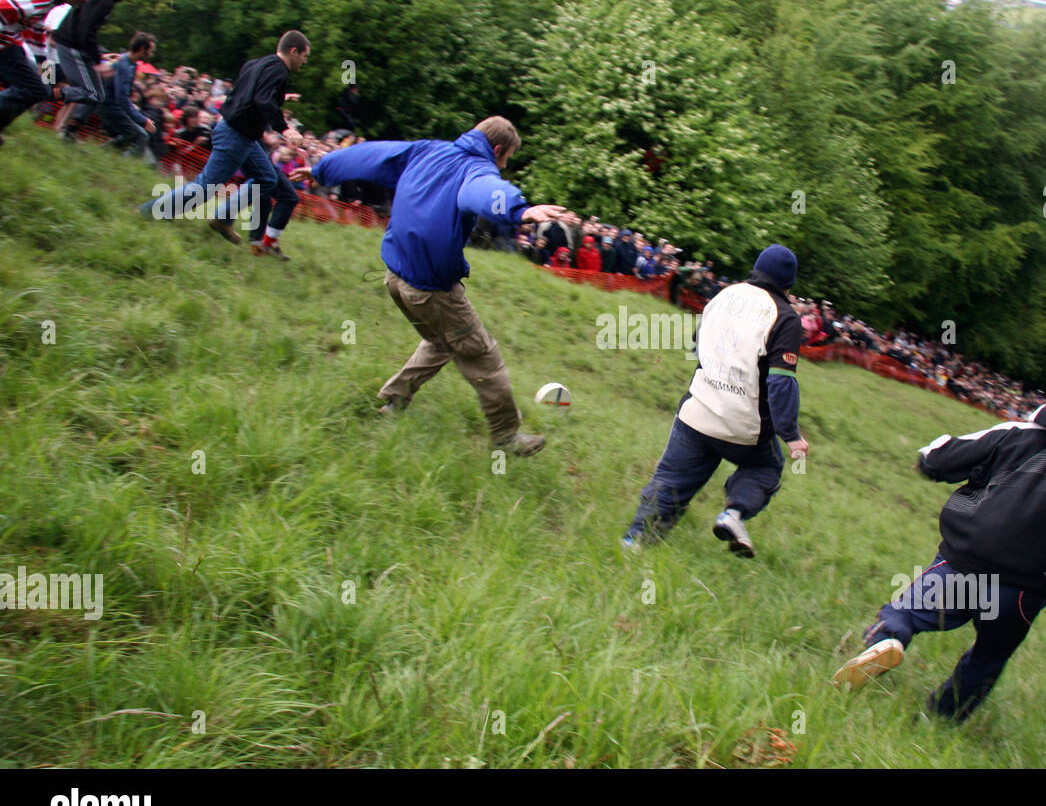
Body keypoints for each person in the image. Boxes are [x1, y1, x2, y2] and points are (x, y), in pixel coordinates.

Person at [833, 380, 1046, 722]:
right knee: (990, 655)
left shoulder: (1013, 432)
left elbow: (941, 456)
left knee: (908, 612)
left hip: (965, 562)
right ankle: (940, 719)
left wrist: (928, 463)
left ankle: (887, 641)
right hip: (1023, 587)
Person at [293, 116, 569, 456]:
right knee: (484, 357)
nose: (504, 164)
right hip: (432, 289)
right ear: (496, 149)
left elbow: (370, 156)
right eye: (507, 158)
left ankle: (393, 401)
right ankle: (507, 437)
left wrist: (322, 170)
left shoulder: (426, 151)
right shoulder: (475, 170)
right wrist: (519, 210)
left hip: (396, 278)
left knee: (440, 342)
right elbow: (482, 191)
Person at [623, 244, 809, 557]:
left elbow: (697, 344)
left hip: (698, 410)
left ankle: (632, 545)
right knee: (766, 467)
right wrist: (790, 435)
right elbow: (781, 382)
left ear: (755, 269)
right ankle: (733, 514)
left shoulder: (724, 294)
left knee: (669, 484)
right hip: (743, 426)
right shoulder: (785, 317)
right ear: (788, 284)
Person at [139, 30, 310, 259]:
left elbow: (250, 93)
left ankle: (223, 219)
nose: (305, 61)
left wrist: (281, 97)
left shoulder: (256, 64)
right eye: (304, 56)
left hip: (242, 135)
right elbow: (262, 99)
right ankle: (148, 212)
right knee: (204, 188)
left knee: (266, 179)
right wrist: (285, 128)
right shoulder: (279, 70)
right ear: (293, 51)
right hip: (235, 135)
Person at [0, 0, 95, 148]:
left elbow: (36, 36)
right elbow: (3, 8)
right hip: (5, 38)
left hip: (8, 38)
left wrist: (47, 77)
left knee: (39, 89)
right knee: (34, 89)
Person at [53, 0, 139, 141]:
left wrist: (99, 56)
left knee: (89, 93)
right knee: (85, 91)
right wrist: (98, 61)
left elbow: (85, 27)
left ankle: (62, 129)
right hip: (57, 49)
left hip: (66, 45)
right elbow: (86, 29)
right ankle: (46, 97)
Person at [99, 31, 156, 156]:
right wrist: (143, 120)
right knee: (141, 136)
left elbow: (123, 94)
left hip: (112, 105)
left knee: (131, 134)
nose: (151, 54)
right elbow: (121, 97)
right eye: (150, 51)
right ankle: (127, 165)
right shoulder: (123, 64)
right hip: (108, 105)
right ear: (142, 49)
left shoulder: (131, 64)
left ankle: (100, 153)